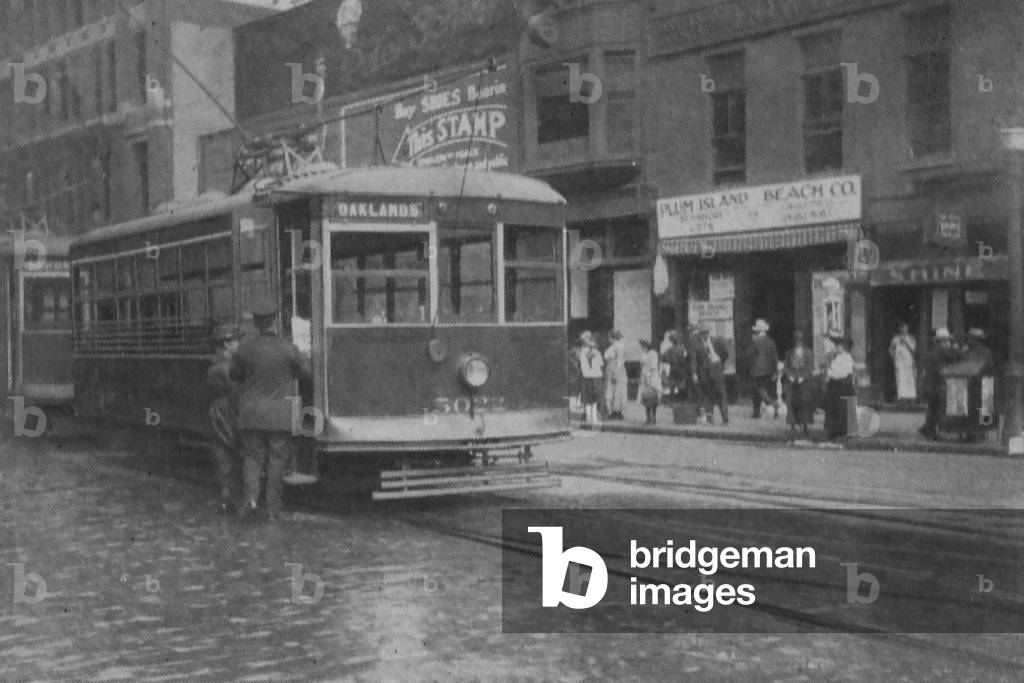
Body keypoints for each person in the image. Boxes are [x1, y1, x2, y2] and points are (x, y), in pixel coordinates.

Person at [229, 300, 313, 523]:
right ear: (275, 321)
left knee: (253, 458)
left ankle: (251, 501)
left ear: (256, 322)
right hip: (279, 416)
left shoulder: (244, 349)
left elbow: (234, 375)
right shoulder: (288, 348)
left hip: (252, 414)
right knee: (277, 461)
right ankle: (272, 510)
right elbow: (305, 374)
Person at [206, 324, 243, 514]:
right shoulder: (225, 367)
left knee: (223, 454)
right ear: (227, 343)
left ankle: (226, 497)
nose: (239, 344)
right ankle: (228, 499)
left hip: (219, 412)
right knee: (230, 453)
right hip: (227, 412)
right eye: (237, 340)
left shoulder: (216, 364)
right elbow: (236, 392)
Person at [918, 328, 958, 440]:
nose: (948, 343)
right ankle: (939, 431)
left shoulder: (931, 351)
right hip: (938, 385)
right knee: (941, 408)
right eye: (947, 341)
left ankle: (928, 430)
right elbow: (953, 357)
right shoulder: (941, 351)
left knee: (933, 408)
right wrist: (955, 349)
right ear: (942, 341)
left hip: (930, 385)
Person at [691, 324, 729, 425]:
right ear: (700, 333)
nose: (705, 334)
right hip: (704, 372)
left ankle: (725, 419)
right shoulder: (696, 343)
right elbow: (694, 360)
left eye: (706, 332)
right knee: (708, 395)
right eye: (703, 332)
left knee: (721, 394)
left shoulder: (716, 341)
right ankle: (709, 419)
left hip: (717, 371)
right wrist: (694, 373)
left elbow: (725, 353)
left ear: (709, 332)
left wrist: (720, 362)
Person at [962, 328, 994, 443]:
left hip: (977, 381)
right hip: (979, 381)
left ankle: (974, 432)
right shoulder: (985, 351)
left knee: (975, 407)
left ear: (976, 340)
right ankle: (979, 432)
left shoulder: (973, 352)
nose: (969, 340)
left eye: (971, 338)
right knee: (980, 407)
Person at [783, 330, 814, 440]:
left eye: (800, 340)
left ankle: (805, 425)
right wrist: (790, 376)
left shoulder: (808, 352)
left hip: (803, 381)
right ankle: (792, 425)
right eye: (796, 340)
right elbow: (786, 366)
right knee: (791, 402)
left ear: (802, 341)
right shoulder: (789, 353)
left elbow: (810, 366)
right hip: (791, 381)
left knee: (804, 402)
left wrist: (802, 376)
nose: (798, 342)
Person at [823, 336, 856, 440]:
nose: (837, 348)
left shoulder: (847, 358)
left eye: (839, 346)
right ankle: (835, 431)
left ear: (844, 347)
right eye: (836, 346)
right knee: (835, 409)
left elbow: (842, 373)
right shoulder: (835, 358)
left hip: (844, 386)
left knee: (844, 408)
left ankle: (846, 432)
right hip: (836, 386)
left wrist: (829, 373)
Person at [747, 319, 780, 418]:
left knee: (758, 390)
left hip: (757, 370)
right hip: (769, 370)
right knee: (761, 390)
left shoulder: (755, 341)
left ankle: (774, 404)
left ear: (757, 331)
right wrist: (775, 371)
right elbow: (775, 357)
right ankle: (757, 412)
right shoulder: (771, 341)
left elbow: (749, 354)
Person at [578, 331, 604, 425]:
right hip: (595, 376)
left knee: (588, 399)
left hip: (587, 376)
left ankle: (589, 418)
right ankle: (593, 418)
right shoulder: (596, 352)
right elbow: (601, 363)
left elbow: (582, 364)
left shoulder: (583, 351)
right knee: (594, 398)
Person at [889, 323, 918, 403]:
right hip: (899, 363)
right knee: (901, 380)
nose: (904, 330)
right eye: (902, 328)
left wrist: (906, 342)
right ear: (900, 329)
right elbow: (891, 350)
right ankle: (902, 398)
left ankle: (911, 398)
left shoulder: (911, 338)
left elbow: (914, 350)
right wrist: (894, 358)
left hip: (908, 363)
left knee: (910, 380)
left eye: (905, 328)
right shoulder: (895, 339)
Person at [603, 330, 628, 420]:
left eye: (610, 337)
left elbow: (620, 361)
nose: (609, 339)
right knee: (614, 391)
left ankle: (616, 412)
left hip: (615, 370)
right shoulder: (617, 345)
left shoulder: (618, 346)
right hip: (612, 369)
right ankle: (614, 411)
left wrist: (616, 373)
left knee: (616, 391)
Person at [638, 339, 662, 425]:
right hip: (645, 377)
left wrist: (649, 377)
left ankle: (653, 418)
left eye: (643, 347)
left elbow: (653, 367)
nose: (642, 349)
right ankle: (648, 417)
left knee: (653, 397)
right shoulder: (645, 354)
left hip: (652, 377)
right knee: (646, 398)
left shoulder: (653, 354)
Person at [662, 330, 691, 402]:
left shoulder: (669, 350)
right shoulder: (682, 349)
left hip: (673, 367)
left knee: (672, 383)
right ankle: (681, 400)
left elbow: (664, 358)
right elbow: (686, 357)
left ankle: (673, 400)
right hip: (681, 367)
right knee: (681, 383)